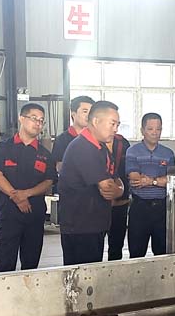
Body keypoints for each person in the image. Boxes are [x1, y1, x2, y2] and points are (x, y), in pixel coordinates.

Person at [0, 103, 54, 271]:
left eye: (41, 121)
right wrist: (17, 197)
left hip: (34, 215)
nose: (38, 123)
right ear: (21, 118)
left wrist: (27, 194)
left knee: (31, 262)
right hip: (9, 214)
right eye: (34, 118)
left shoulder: (45, 154)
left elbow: (49, 181)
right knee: (5, 261)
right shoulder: (3, 148)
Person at [57, 100, 124, 265]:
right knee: (82, 275)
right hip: (80, 228)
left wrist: (120, 189)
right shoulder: (83, 148)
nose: (115, 129)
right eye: (112, 124)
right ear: (95, 121)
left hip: (94, 225)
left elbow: (116, 180)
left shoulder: (100, 148)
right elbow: (107, 188)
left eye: (118, 124)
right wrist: (119, 190)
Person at [125, 113, 175, 257]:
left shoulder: (168, 154)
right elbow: (135, 179)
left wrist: (151, 181)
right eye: (150, 129)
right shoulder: (132, 152)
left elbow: (171, 180)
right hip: (139, 208)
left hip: (162, 208)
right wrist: (159, 181)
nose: (155, 132)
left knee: (162, 252)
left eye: (158, 129)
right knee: (136, 252)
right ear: (142, 130)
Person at [52, 95, 95, 173]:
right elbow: (59, 167)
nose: (88, 116)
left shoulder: (96, 138)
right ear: (73, 114)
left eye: (91, 112)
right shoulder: (62, 140)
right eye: (85, 111)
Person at [106, 130, 131, 260]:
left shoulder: (122, 143)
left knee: (116, 245)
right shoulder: (90, 145)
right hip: (97, 205)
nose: (113, 127)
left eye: (115, 123)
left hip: (120, 202)